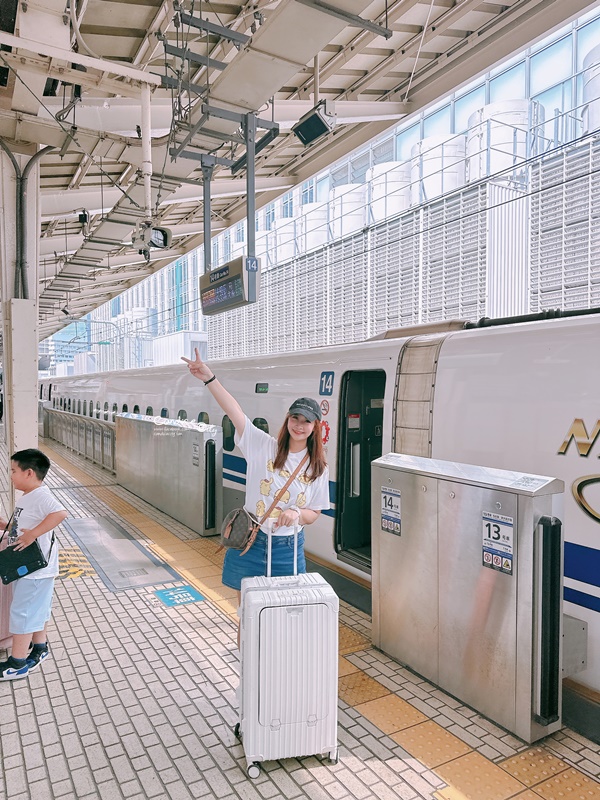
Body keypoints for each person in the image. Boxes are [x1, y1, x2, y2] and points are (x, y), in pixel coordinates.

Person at [182, 349, 330, 606]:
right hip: (251, 541)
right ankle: (246, 649)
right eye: (295, 418)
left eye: (307, 421)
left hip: (288, 548)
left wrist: (297, 513)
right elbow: (235, 412)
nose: (299, 425)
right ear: (288, 420)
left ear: (315, 426)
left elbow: (314, 512)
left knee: (281, 613)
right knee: (247, 616)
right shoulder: (263, 446)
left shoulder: (317, 468)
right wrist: (209, 378)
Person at [0, 449, 68, 680]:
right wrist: (7, 527)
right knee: (35, 610)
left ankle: (17, 664)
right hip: (31, 567)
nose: (10, 475)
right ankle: (39, 648)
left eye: (13, 471)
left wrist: (32, 535)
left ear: (29, 473)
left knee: (23, 612)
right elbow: (25, 524)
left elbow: (60, 513)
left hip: (36, 570)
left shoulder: (41, 495)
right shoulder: (30, 495)